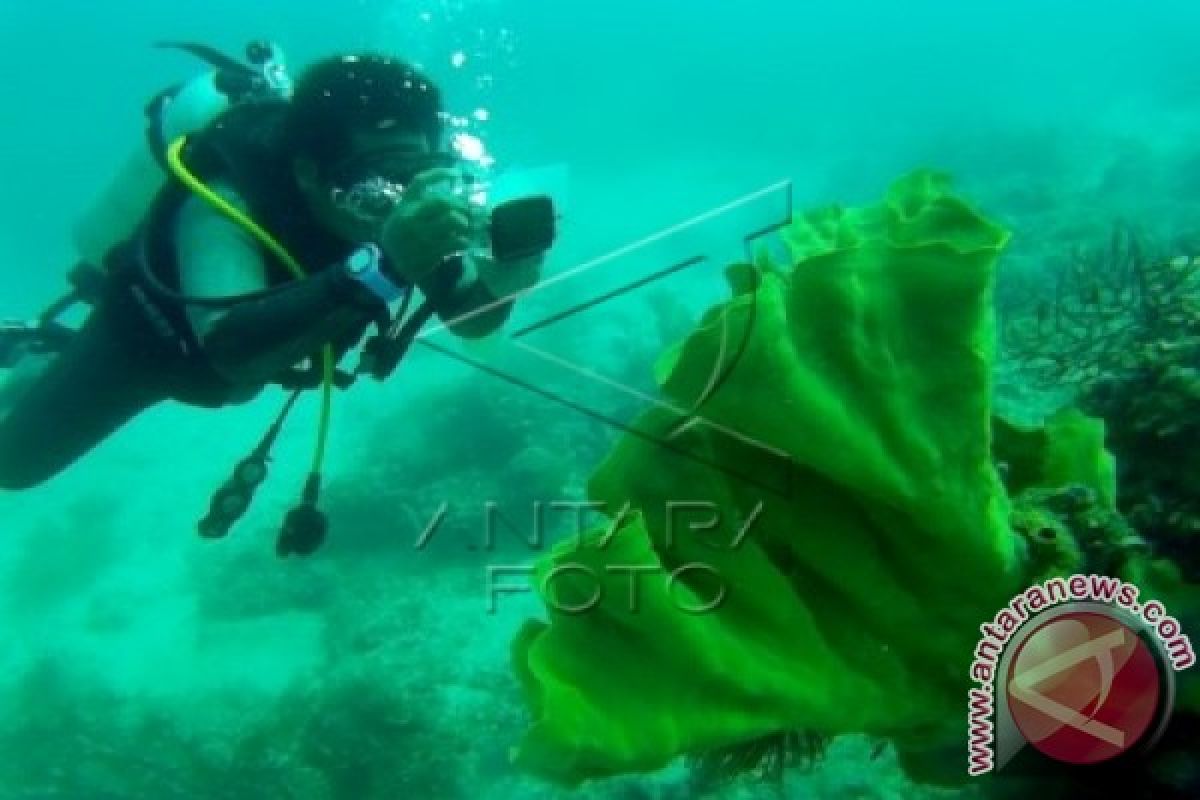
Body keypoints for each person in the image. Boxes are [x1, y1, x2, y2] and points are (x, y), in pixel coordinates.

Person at [0, 52, 547, 500]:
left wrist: (516, 265)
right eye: (374, 178)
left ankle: (45, 353)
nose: (395, 197)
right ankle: (42, 352)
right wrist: (388, 264)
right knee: (15, 464)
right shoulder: (227, 203)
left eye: (413, 172)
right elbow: (230, 351)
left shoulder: (399, 208)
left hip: (268, 349)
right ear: (308, 171)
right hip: (151, 347)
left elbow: (470, 323)